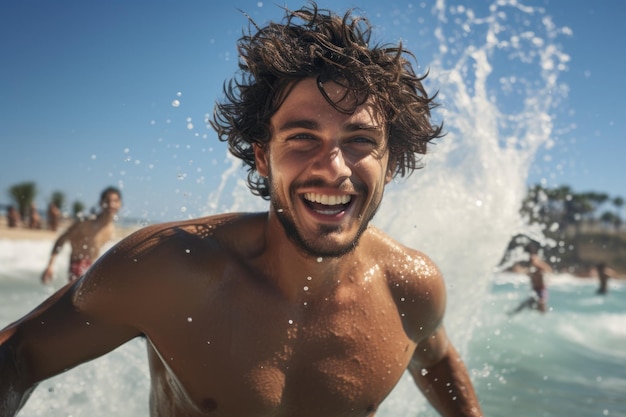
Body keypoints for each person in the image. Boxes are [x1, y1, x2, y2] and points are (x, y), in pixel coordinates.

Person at [0, 5, 483, 417]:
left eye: (359, 141)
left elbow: (437, 360)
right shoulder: (169, 271)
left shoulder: (410, 288)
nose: (334, 169)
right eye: (302, 138)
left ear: (390, 161)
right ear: (261, 156)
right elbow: (17, 355)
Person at [40, 186, 122, 284]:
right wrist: (50, 265)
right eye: (108, 201)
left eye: (115, 201)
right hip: (78, 267)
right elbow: (61, 240)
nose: (111, 204)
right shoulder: (86, 223)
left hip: (94, 269)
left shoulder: (113, 229)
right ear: (101, 203)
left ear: (120, 204)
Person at [509, 242, 552, 315]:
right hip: (536, 291)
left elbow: (547, 269)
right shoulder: (532, 262)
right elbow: (531, 272)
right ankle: (511, 315)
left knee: (541, 309)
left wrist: (522, 270)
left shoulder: (535, 260)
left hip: (541, 290)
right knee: (525, 306)